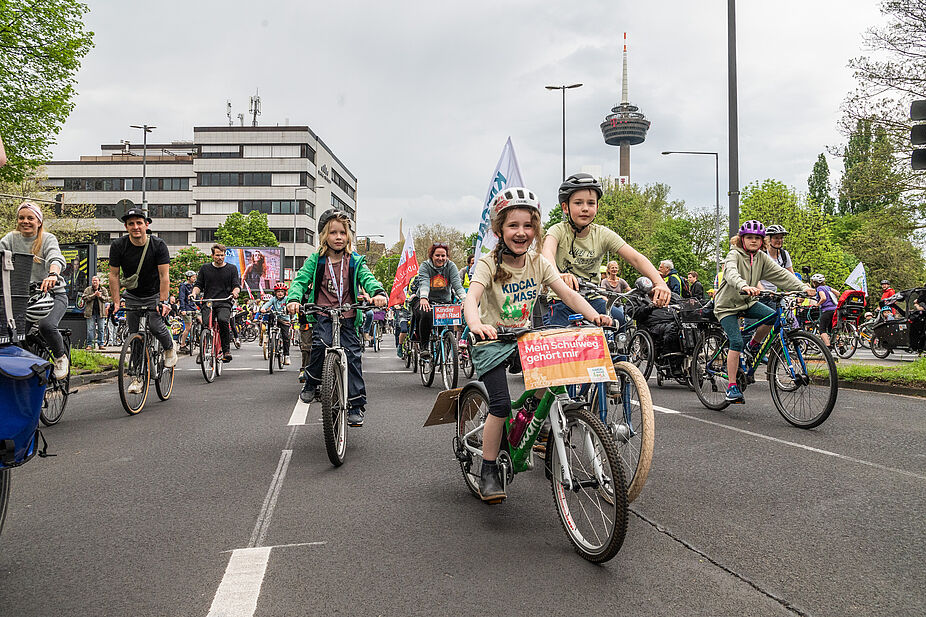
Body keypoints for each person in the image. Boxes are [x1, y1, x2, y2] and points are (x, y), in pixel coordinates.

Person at [464, 187, 612, 503]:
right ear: (498, 230)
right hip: (491, 342)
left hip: (524, 339)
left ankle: (532, 427)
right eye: (513, 226)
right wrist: (476, 324)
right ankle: (488, 468)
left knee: (552, 379)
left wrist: (594, 315)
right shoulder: (488, 264)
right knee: (501, 404)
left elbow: (568, 294)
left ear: (536, 229)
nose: (521, 232)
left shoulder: (539, 263)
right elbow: (472, 298)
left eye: (528, 226)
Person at [286, 209, 387, 427]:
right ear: (324, 236)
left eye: (343, 232)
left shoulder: (355, 261)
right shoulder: (317, 260)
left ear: (348, 236)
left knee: (352, 357)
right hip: (323, 314)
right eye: (333, 233)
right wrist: (293, 299)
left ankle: (356, 404)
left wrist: (378, 293)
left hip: (348, 316)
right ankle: (311, 383)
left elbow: (367, 279)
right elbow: (300, 280)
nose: (339, 237)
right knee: (320, 347)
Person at [542, 172, 670, 326]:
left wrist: (659, 283)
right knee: (559, 339)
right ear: (565, 207)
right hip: (561, 301)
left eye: (590, 203)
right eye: (578, 203)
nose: (585, 208)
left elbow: (636, 259)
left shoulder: (602, 234)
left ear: (597, 206)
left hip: (593, 299)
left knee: (621, 321)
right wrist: (559, 276)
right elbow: (547, 253)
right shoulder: (558, 230)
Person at [713, 221, 813, 404]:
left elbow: (781, 274)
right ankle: (732, 387)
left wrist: (803, 288)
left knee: (773, 316)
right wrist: (744, 285)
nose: (753, 241)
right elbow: (731, 274)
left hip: (747, 302)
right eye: (749, 237)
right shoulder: (733, 255)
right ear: (741, 239)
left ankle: (753, 345)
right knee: (735, 341)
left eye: (757, 238)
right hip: (727, 306)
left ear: (762, 241)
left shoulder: (761, 257)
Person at [108, 208, 177, 393]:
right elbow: (113, 276)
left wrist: (163, 302)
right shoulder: (118, 246)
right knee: (135, 335)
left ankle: (169, 348)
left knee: (155, 325)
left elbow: (164, 276)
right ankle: (137, 377)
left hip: (154, 293)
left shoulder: (158, 245)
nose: (135, 227)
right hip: (132, 295)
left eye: (139, 223)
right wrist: (116, 302)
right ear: (126, 226)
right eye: (131, 224)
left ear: (147, 224)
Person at [0, 202, 69, 378]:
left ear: (39, 221)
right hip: (24, 298)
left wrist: (53, 274)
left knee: (47, 326)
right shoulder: (10, 239)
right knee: (12, 334)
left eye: (30, 218)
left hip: (52, 295)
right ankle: (25, 371)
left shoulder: (47, 239)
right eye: (21, 218)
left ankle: (60, 357)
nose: (25, 221)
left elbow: (56, 257)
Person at [413, 242, 466, 358]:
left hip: (445, 302)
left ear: (447, 256)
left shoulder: (451, 266)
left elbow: (457, 285)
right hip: (425, 300)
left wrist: (464, 299)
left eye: (443, 256)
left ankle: (447, 347)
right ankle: (424, 347)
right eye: (437, 255)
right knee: (426, 314)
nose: (440, 258)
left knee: (450, 324)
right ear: (432, 256)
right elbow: (424, 283)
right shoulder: (425, 266)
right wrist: (423, 298)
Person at [192, 244, 241, 363]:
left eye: (222, 255)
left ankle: (226, 351)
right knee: (205, 324)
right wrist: (194, 293)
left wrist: (235, 292)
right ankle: (202, 351)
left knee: (223, 321)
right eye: (217, 255)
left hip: (224, 301)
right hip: (208, 302)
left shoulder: (232, 269)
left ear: (225, 255)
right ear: (212, 255)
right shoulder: (205, 268)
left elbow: (236, 285)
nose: (220, 257)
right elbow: (198, 285)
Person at [260, 283, 292, 365]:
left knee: (286, 337)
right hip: (275, 319)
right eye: (278, 291)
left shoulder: (287, 299)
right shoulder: (273, 299)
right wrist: (263, 308)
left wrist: (290, 311)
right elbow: (267, 304)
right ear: (275, 292)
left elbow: (291, 306)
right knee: (270, 325)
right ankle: (271, 343)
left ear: (285, 293)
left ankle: (286, 355)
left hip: (285, 320)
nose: (280, 293)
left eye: (282, 291)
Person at [82, 275, 110, 349]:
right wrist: (94, 295)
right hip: (90, 313)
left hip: (101, 313)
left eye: (96, 280)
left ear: (99, 282)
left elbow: (107, 299)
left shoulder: (103, 289)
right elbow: (84, 298)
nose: (94, 282)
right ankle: (89, 345)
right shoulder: (88, 289)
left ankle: (101, 344)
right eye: (93, 280)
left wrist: (100, 296)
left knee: (101, 329)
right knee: (90, 329)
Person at [810, 273, 839, 348]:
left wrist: (817, 304)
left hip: (827, 311)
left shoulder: (819, 288)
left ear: (815, 282)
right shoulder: (827, 287)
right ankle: (840, 345)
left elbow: (823, 298)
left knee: (822, 329)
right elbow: (838, 293)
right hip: (835, 310)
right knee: (832, 329)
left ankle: (827, 346)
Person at [178, 270, 197, 352]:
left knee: (202, 320)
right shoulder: (183, 286)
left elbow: (197, 298)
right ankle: (182, 345)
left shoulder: (194, 287)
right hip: (186, 309)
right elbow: (181, 298)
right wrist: (182, 309)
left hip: (193, 308)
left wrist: (202, 306)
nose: (194, 278)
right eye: (193, 277)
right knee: (188, 327)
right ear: (189, 277)